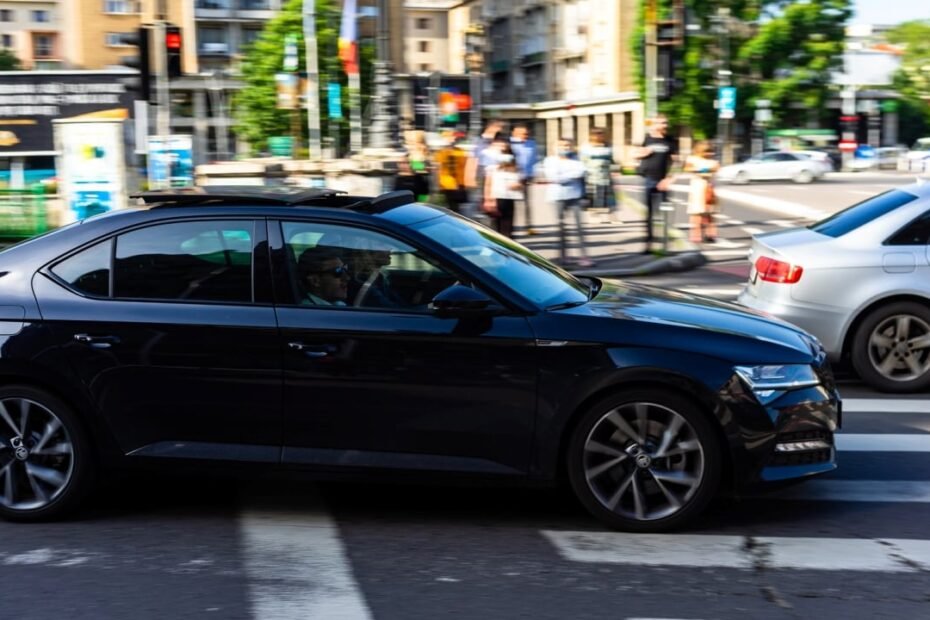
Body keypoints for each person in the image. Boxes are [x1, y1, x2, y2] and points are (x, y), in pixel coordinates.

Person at [542, 138, 594, 268]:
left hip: (575, 195)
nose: (565, 147)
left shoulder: (577, 159)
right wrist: (572, 175)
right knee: (561, 227)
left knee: (579, 227)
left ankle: (584, 256)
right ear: (555, 147)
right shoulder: (550, 160)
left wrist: (566, 175)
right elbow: (554, 178)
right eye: (561, 145)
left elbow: (582, 172)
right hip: (557, 196)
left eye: (567, 145)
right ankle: (562, 257)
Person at [635, 115, 677, 253]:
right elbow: (634, 154)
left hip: (663, 182)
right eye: (661, 123)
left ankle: (665, 246)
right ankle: (648, 245)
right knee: (650, 215)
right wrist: (644, 152)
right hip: (648, 180)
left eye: (666, 123)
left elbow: (678, 162)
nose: (664, 125)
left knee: (664, 214)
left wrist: (669, 179)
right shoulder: (647, 139)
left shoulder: (670, 140)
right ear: (654, 124)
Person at [346, 240, 406, 308]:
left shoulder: (378, 277)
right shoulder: (362, 283)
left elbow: (399, 303)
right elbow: (392, 309)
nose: (389, 248)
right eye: (381, 244)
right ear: (367, 252)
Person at [581, 127, 620, 224]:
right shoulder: (586, 147)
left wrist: (615, 170)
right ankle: (594, 216)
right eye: (597, 134)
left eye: (601, 133)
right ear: (592, 135)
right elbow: (582, 161)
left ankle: (612, 217)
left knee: (610, 198)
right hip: (592, 176)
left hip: (606, 176)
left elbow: (613, 161)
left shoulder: (608, 146)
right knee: (594, 198)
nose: (599, 136)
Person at [684, 141, 721, 244]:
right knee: (696, 214)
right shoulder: (693, 159)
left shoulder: (714, 162)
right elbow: (687, 168)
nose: (709, 154)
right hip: (697, 189)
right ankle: (696, 235)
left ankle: (710, 234)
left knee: (709, 214)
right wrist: (703, 170)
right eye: (707, 152)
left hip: (709, 189)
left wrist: (701, 170)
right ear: (700, 151)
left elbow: (716, 168)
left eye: (711, 152)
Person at [483, 143, 522, 238]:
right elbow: (488, 185)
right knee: (496, 226)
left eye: (507, 152)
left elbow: (520, 185)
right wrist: (488, 200)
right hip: (496, 199)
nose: (505, 155)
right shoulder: (492, 168)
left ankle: (508, 246)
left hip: (509, 199)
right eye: (502, 152)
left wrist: (517, 185)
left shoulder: (515, 169)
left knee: (508, 225)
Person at [510, 123, 539, 234]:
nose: (525, 136)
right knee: (511, 204)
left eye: (527, 134)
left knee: (527, 203)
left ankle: (528, 226)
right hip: (511, 177)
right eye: (522, 134)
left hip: (526, 177)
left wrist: (532, 174)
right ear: (514, 133)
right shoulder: (509, 143)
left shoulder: (531, 143)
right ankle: (511, 227)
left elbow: (533, 161)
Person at [434, 130, 468, 213]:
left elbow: (464, 167)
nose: (451, 139)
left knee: (457, 209)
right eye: (448, 137)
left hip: (459, 184)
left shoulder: (460, 151)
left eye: (452, 137)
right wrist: (438, 185)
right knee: (449, 208)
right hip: (447, 184)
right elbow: (439, 169)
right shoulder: (441, 152)